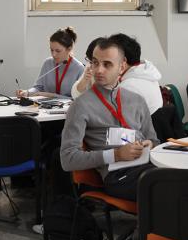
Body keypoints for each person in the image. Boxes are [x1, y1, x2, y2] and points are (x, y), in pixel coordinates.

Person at [60, 37, 159, 202]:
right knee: (167, 185)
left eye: (107, 64)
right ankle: (151, 228)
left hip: (147, 165)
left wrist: (150, 144)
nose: (98, 70)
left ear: (121, 67)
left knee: (184, 178)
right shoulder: (81, 105)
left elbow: (155, 140)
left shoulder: (137, 100)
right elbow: (67, 159)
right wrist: (115, 155)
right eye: (95, 62)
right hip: (118, 175)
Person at [71, 33, 163, 114]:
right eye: (95, 62)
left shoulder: (128, 87)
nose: (100, 69)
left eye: (108, 62)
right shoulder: (144, 73)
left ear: (122, 61)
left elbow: (106, 118)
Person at [18, 27, 84, 98]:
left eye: (58, 51)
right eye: (51, 50)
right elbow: (38, 87)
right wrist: (27, 92)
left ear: (69, 49)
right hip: (44, 107)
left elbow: (77, 98)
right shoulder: (47, 63)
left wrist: (52, 96)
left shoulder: (79, 68)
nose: (53, 54)